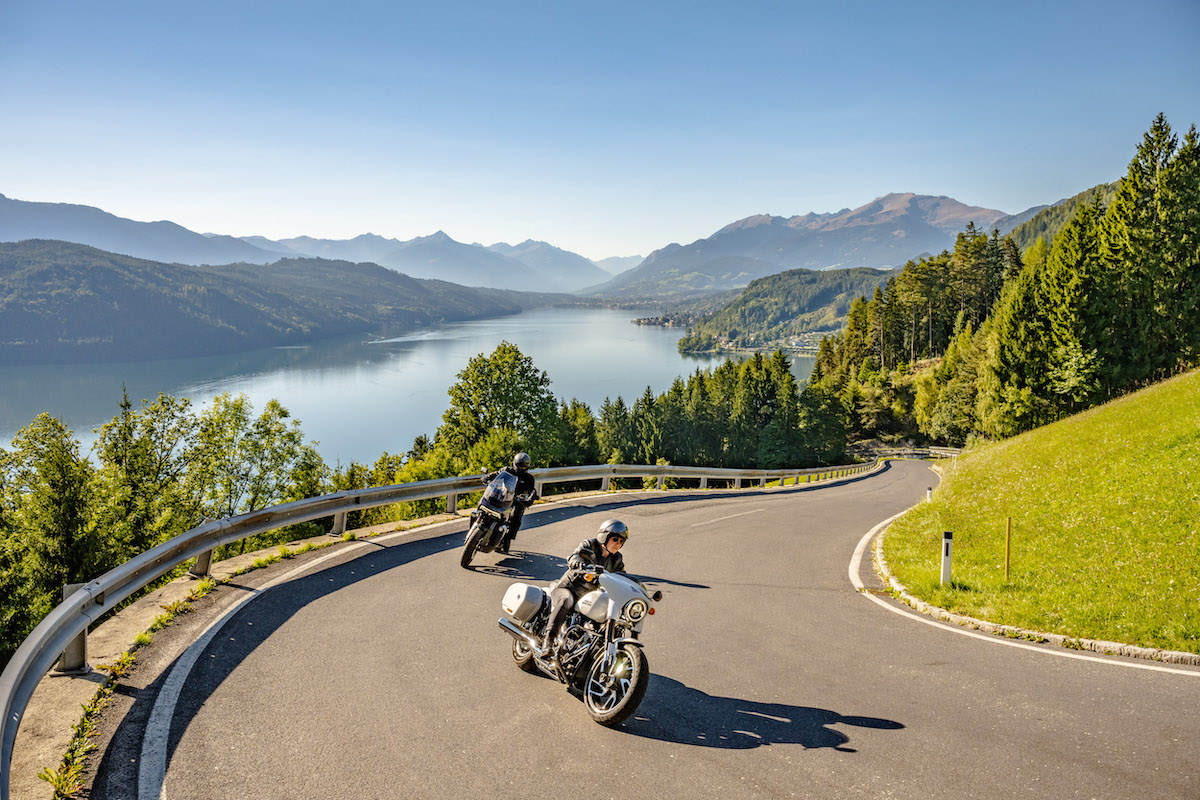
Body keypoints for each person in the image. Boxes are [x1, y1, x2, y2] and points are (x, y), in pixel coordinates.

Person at [540, 518, 629, 657]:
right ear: (605, 537)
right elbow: (574, 556)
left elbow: (622, 576)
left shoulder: (617, 559)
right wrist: (577, 563)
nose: (618, 544)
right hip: (569, 588)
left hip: (590, 596)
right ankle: (548, 640)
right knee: (566, 601)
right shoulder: (589, 545)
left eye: (621, 541)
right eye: (615, 539)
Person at [483, 452, 537, 554]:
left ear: (527, 466)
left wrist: (530, 499)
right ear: (515, 463)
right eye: (519, 466)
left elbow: (531, 492)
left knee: (516, 516)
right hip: (503, 496)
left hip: (517, 501)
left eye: (523, 466)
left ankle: (507, 537)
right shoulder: (507, 470)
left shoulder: (529, 479)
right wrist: (487, 478)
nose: (521, 468)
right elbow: (496, 475)